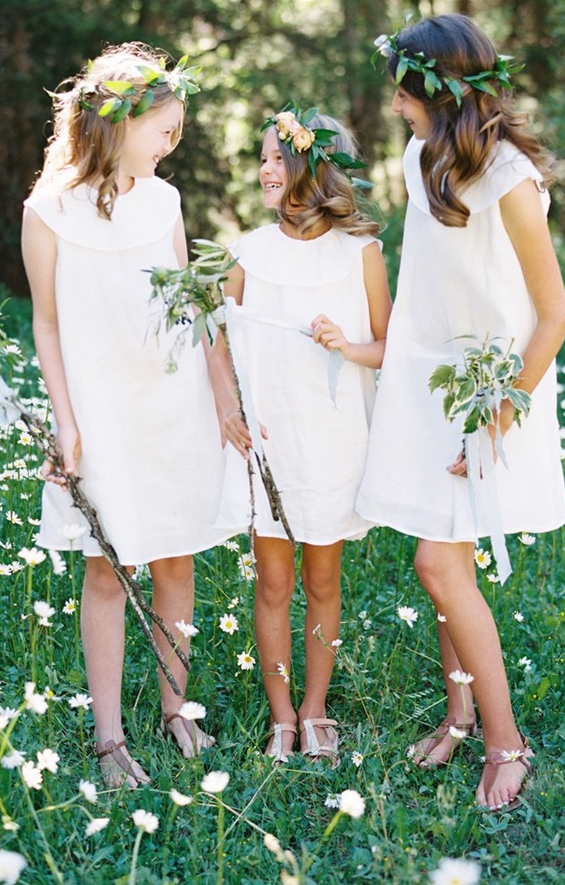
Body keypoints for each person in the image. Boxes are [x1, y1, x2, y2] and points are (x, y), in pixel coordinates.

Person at [357, 14, 565, 811]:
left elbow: (553, 318)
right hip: (426, 382)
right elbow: (429, 283)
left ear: (432, 91)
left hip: (491, 394)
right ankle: (459, 713)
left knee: (437, 563)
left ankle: (506, 742)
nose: (397, 107)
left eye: (404, 94)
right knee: (443, 555)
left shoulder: (510, 179)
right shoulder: (421, 157)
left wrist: (495, 419)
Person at [21, 42, 227, 785]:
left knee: (177, 554)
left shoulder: (163, 200)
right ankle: (109, 736)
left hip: (171, 400)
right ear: (117, 122)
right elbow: (46, 323)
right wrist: (65, 420)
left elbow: (188, 299)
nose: (171, 147)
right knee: (109, 567)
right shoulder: (47, 211)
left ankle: (177, 706)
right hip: (102, 408)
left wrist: (222, 391)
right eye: (163, 131)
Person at [215, 106, 392, 765]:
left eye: (277, 157)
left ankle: (317, 706)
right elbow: (214, 336)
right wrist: (226, 403)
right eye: (261, 157)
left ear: (315, 168)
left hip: (333, 438)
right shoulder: (247, 253)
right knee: (271, 581)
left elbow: (389, 343)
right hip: (267, 439)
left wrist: (348, 345)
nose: (264, 168)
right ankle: (282, 713)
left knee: (323, 578)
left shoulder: (360, 254)